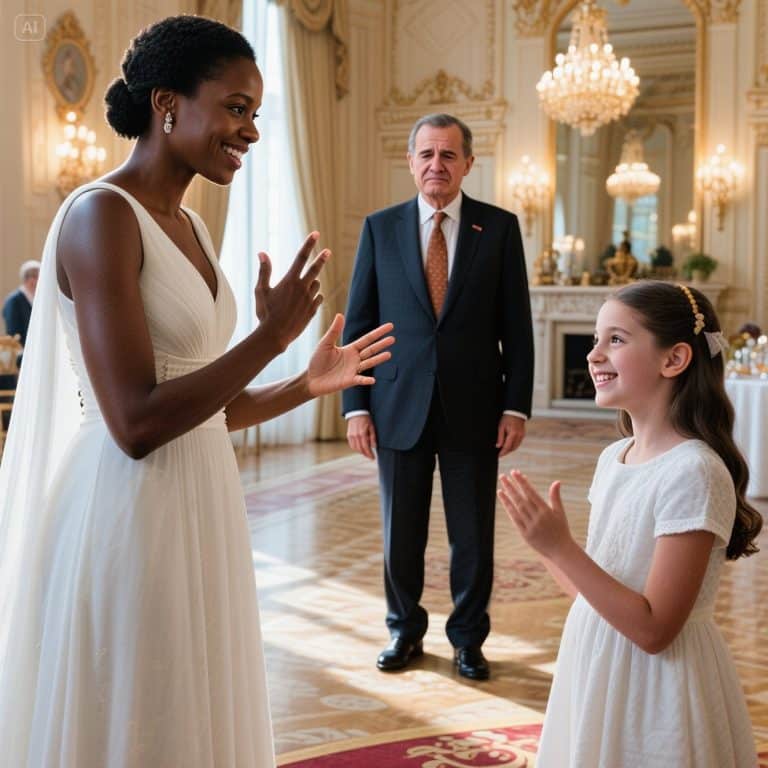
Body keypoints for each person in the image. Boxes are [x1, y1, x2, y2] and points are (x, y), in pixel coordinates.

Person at [0, 16, 394, 768]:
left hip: (201, 497)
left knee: (189, 707)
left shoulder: (191, 228)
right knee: (137, 711)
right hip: (129, 505)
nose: (250, 131)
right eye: (236, 107)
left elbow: (210, 409)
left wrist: (302, 383)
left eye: (256, 113)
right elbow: (135, 423)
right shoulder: (100, 215)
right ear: (167, 104)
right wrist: (269, 338)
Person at [499, 280, 762, 766]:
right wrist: (548, 547)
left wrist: (561, 549)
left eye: (616, 339)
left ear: (674, 359)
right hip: (598, 667)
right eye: (595, 339)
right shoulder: (614, 457)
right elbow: (595, 597)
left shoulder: (693, 472)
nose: (593, 354)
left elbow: (655, 630)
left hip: (657, 688)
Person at [343, 113, 534, 680]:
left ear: (468, 164)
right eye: (426, 154)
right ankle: (403, 630)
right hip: (396, 406)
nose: (437, 165)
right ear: (410, 162)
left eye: (449, 155)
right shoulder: (380, 228)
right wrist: (355, 406)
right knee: (400, 533)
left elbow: (517, 327)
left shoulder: (498, 228)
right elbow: (359, 324)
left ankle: (468, 640)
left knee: (472, 536)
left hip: (475, 409)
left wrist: (515, 405)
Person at [3, 259, 40, 346]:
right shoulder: (14, 300)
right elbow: (12, 332)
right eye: (33, 277)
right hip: (22, 348)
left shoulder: (37, 297)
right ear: (26, 279)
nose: (36, 281)